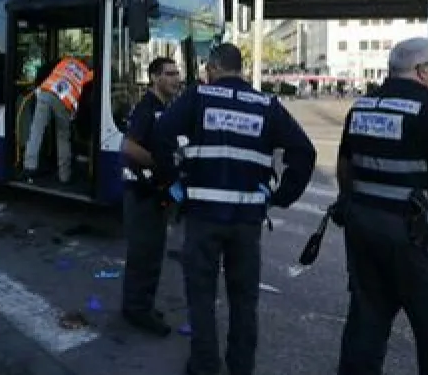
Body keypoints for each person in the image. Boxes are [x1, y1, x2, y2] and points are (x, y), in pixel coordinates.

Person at [151, 43, 317, 375]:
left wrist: (175, 183)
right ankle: (241, 366)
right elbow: (304, 151)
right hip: (246, 221)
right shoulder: (266, 104)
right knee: (244, 300)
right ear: (240, 69)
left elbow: (160, 135)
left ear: (213, 69)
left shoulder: (198, 97)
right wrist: (282, 195)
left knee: (201, 295)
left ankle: (205, 364)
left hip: (203, 216)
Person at [333, 37, 428, 375]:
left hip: (365, 230)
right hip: (419, 239)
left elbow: (344, 168)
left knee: (366, 325)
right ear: (421, 71)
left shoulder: (362, 107)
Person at [120, 56, 182, 336]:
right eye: (169, 74)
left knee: (153, 253)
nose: (176, 78)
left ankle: (142, 305)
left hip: (157, 194)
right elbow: (129, 147)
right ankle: (136, 311)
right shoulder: (147, 109)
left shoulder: (165, 108)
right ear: (155, 77)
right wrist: (158, 164)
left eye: (177, 73)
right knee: (143, 254)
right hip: (142, 194)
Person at [22, 55, 93, 184]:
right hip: (64, 101)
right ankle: (64, 176)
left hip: (45, 92)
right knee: (63, 137)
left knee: (36, 132)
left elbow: (46, 70)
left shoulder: (66, 62)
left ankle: (29, 168)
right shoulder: (88, 73)